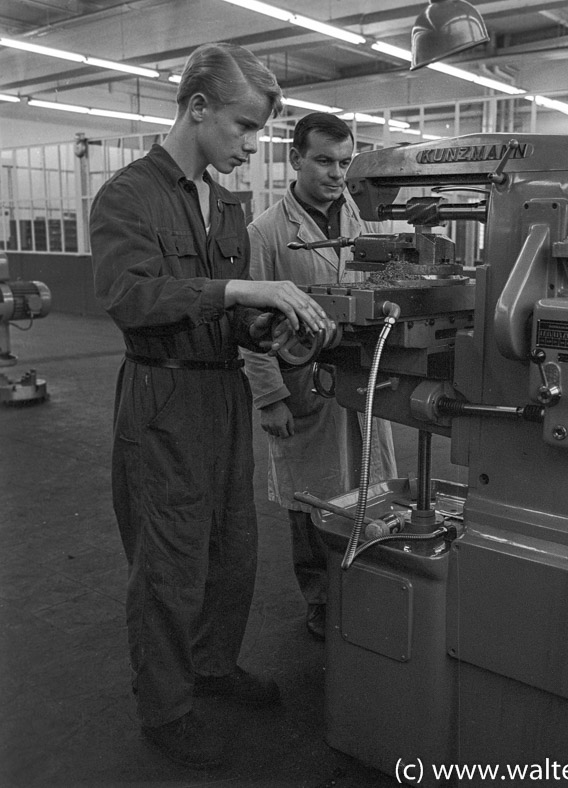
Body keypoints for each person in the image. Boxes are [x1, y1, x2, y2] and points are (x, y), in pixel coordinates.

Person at [89, 42, 329, 770]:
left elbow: (224, 312)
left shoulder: (226, 207)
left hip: (223, 389)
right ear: (198, 109)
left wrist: (262, 323)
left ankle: (214, 663)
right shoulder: (127, 197)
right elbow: (128, 297)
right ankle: (165, 707)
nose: (252, 146)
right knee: (169, 555)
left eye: (259, 131)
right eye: (243, 127)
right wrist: (238, 291)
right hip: (163, 397)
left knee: (232, 544)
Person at [243, 112, 397, 641]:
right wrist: (270, 399)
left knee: (370, 486)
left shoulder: (368, 221)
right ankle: (320, 598)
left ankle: (367, 586)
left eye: (345, 162)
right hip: (303, 387)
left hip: (366, 378)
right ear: (296, 160)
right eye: (324, 161)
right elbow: (252, 327)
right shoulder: (266, 232)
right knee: (310, 499)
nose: (337, 173)